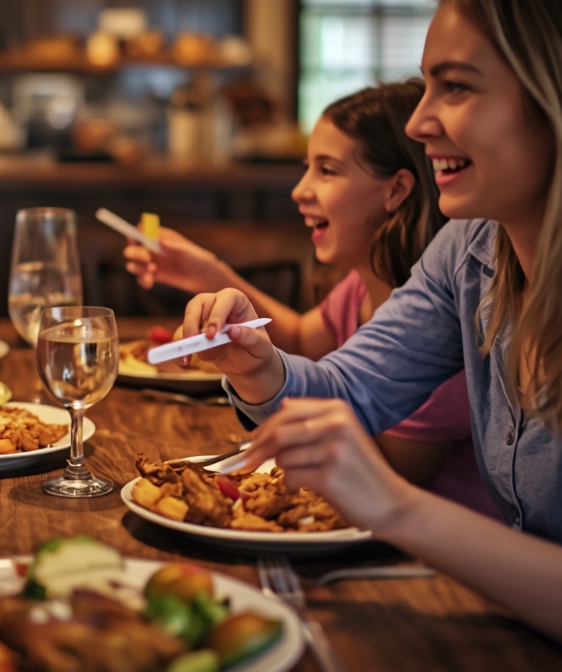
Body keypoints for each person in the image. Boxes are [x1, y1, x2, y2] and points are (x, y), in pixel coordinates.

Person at [179, 0, 562, 638]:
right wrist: (259, 367)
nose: (419, 123)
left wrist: (396, 506)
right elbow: (354, 389)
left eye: (457, 88)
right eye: (426, 87)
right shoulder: (471, 248)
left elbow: (392, 485)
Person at [126, 82, 498, 518]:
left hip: (433, 561)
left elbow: (389, 485)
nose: (299, 190)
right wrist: (211, 276)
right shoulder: (361, 286)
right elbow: (302, 339)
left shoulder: (440, 329)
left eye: (327, 170)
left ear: (396, 191)